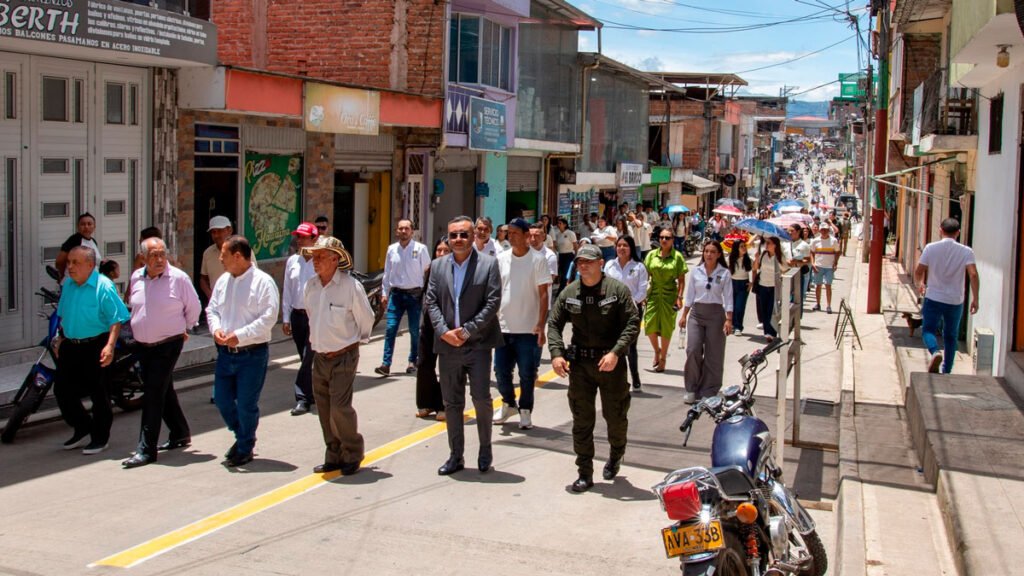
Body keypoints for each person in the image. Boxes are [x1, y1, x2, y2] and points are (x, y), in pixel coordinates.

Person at [548, 244, 640, 493]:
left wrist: (615, 352)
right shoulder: (570, 292)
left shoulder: (617, 291)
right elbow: (554, 323)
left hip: (611, 364)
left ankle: (616, 454)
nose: (583, 266)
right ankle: (584, 472)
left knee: (615, 417)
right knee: (581, 419)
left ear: (601, 263)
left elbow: (633, 323)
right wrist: (556, 354)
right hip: (581, 366)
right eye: (580, 262)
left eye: (588, 261)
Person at [424, 216, 503, 475]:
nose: (458, 239)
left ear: (473, 237)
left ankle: (485, 450)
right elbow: (431, 301)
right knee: (452, 403)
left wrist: (467, 330)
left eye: (463, 235)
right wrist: (444, 332)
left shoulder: (489, 265)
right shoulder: (437, 266)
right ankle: (455, 455)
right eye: (453, 235)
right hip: (447, 346)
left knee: (481, 398)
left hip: (478, 344)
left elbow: (492, 302)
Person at [121, 238, 202, 468]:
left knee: (153, 393)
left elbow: (194, 307)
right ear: (143, 258)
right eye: (153, 255)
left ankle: (146, 449)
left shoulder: (178, 278)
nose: (159, 260)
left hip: (168, 344)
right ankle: (179, 432)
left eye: (162, 254)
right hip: (143, 345)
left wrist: (184, 328)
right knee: (163, 389)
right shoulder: (137, 277)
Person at [303, 236, 375, 475]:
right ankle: (333, 453)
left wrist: (354, 343)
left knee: (339, 409)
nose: (316, 261)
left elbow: (366, 318)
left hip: (344, 355)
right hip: (320, 356)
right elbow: (311, 316)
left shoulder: (350, 286)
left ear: (335, 259)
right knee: (323, 408)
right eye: (314, 256)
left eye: (321, 256)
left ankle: (352, 452)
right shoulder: (311, 286)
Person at [206, 236, 279, 467]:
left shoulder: (263, 282)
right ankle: (243, 435)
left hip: (252, 354)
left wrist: (241, 335)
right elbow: (212, 310)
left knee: (247, 403)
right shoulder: (223, 281)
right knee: (222, 399)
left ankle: (245, 447)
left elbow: (268, 318)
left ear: (238, 256)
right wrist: (216, 329)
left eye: (224, 255)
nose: (220, 259)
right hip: (226, 354)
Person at [52, 246, 130, 454]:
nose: (70, 267)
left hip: (97, 343)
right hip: (71, 344)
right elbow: (63, 315)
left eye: (75, 263)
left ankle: (100, 437)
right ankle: (82, 427)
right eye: (69, 262)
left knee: (99, 393)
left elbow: (116, 320)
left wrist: (110, 346)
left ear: (89, 265)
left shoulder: (103, 286)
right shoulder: (68, 285)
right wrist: (59, 338)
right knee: (62, 389)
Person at [494, 218, 551, 430]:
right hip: (503, 327)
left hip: (528, 328)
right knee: (500, 371)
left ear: (527, 236)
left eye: (516, 232)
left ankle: (525, 410)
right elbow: (496, 291)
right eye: (509, 232)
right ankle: (508, 403)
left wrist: (540, 324)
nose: (511, 236)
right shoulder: (501, 259)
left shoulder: (538, 260)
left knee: (527, 374)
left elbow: (544, 295)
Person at [913, 218, 979, 374]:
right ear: (958, 233)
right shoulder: (966, 251)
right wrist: (976, 298)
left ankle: (935, 352)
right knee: (951, 336)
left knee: (928, 330)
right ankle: (947, 370)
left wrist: (920, 284)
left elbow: (918, 270)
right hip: (955, 300)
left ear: (940, 230)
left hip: (933, 297)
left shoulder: (930, 248)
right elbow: (973, 275)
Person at [376, 219, 431, 377]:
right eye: (401, 228)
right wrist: (384, 293)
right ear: (396, 231)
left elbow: (427, 273)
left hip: (415, 295)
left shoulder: (420, 249)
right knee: (390, 329)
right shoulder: (392, 249)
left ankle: (413, 360)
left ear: (412, 231)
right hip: (397, 295)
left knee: (414, 330)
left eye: (407, 228)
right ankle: (386, 364)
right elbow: (387, 273)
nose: (404, 231)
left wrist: (427, 294)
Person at [680, 240, 733, 404]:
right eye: (706, 251)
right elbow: (690, 295)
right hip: (697, 313)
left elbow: (729, 297)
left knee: (713, 354)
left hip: (716, 314)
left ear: (718, 255)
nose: (708, 254)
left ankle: (709, 389)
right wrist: (684, 315)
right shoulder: (696, 271)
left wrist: (729, 319)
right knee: (693, 350)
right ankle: (691, 388)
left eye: (712, 252)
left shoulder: (724, 273)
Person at [281, 222, 320, 415]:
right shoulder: (292, 262)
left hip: (315, 316)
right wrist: (286, 318)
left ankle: (302, 398)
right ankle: (311, 393)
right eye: (298, 237)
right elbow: (287, 290)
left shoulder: (320, 261)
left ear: (314, 239)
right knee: (303, 357)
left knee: (307, 358)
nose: (300, 241)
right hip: (297, 316)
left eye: (304, 237)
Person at [603, 236, 648, 392]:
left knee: (630, 345)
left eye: (625, 245)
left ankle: (635, 377)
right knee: (613, 345)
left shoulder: (639, 267)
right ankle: (615, 378)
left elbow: (642, 291)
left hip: (632, 311)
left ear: (631, 248)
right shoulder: (609, 265)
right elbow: (603, 287)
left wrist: (629, 306)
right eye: (619, 245)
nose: (621, 248)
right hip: (611, 311)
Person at [415, 239, 451, 420]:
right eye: (439, 250)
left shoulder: (455, 272)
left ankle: (442, 405)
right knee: (423, 365)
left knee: (445, 367)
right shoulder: (430, 270)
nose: (441, 254)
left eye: (446, 251)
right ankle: (425, 403)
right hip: (428, 325)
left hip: (447, 326)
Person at [644, 230, 688, 372]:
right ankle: (657, 350)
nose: (664, 240)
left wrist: (679, 298)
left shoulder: (677, 257)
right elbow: (646, 276)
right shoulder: (652, 255)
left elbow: (681, 280)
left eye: (667, 238)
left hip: (670, 295)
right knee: (649, 325)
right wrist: (643, 293)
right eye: (662, 237)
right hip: (654, 294)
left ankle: (663, 359)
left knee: (666, 328)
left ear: (672, 240)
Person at [752, 236, 789, 342]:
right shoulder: (763, 254)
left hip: (774, 287)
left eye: (769, 243)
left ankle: (772, 333)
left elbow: (785, 270)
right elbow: (755, 268)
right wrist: (756, 258)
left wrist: (780, 267)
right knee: (764, 310)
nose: (766, 244)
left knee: (772, 310)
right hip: (763, 285)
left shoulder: (779, 257)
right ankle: (767, 332)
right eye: (766, 243)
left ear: (775, 245)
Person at [56, 213, 103, 279]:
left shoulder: (93, 241)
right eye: (83, 224)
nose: (86, 227)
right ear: (78, 226)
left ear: (94, 226)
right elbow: (60, 261)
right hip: (74, 284)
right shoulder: (74, 240)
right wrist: (61, 275)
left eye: (89, 224)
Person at [199, 216, 234, 301]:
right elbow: (203, 279)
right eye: (213, 232)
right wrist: (210, 296)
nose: (217, 235)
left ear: (229, 230)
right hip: (217, 303)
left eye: (220, 231)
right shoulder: (208, 253)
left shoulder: (242, 250)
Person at [809, 225, 840, 313]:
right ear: (820, 230)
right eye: (822, 230)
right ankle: (818, 303)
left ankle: (828, 305)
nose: (824, 231)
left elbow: (837, 252)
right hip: (818, 265)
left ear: (828, 230)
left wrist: (835, 262)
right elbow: (811, 252)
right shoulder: (815, 241)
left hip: (829, 267)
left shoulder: (833, 241)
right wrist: (813, 263)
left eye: (826, 230)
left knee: (828, 285)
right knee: (818, 285)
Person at [728, 241, 753, 336]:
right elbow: (725, 271)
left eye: (744, 246)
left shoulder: (748, 259)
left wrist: (752, 283)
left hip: (743, 283)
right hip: (732, 283)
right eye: (741, 246)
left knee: (740, 306)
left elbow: (754, 269)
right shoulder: (730, 259)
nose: (744, 248)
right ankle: (732, 325)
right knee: (732, 306)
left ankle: (738, 326)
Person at [788, 224, 812, 308]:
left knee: (798, 298)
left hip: (799, 274)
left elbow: (808, 260)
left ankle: (798, 317)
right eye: (789, 231)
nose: (790, 233)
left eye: (792, 231)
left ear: (798, 232)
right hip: (787, 274)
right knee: (787, 297)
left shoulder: (804, 245)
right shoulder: (786, 243)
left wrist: (797, 261)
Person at [529, 223, 559, 288]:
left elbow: (548, 282)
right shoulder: (523, 253)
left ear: (543, 236)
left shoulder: (550, 256)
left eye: (536, 235)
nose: (532, 239)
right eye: (530, 235)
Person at [553, 217, 578, 292]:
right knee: (561, 274)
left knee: (566, 275)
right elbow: (556, 246)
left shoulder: (570, 233)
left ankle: (561, 291)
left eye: (560, 223)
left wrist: (576, 256)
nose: (558, 225)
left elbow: (575, 246)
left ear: (565, 224)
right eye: (558, 223)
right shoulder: (557, 234)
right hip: (561, 256)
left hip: (569, 255)